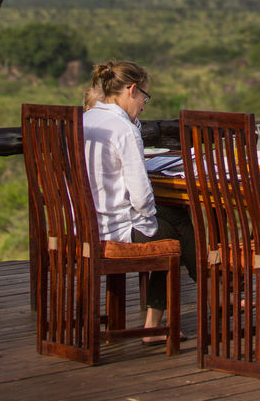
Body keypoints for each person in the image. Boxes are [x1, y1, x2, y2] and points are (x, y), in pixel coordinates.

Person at [83, 59, 196, 343]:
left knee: (171, 222)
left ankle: (157, 322)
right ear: (132, 90)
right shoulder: (124, 128)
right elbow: (142, 197)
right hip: (116, 232)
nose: (144, 104)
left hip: (81, 229)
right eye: (145, 96)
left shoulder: (84, 120)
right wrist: (149, 215)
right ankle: (215, 289)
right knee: (178, 228)